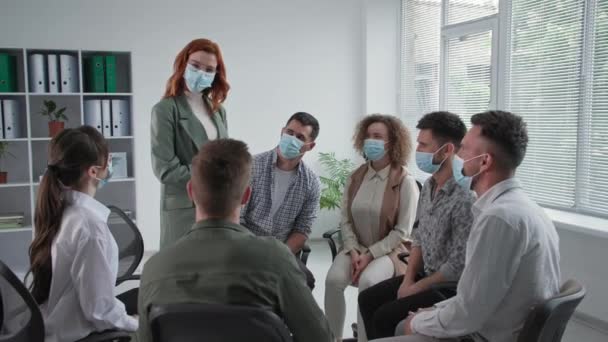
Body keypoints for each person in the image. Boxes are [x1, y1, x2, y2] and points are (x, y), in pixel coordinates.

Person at [372, 111, 561, 342]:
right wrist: (435, 312)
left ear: (484, 161)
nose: (457, 155)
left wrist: (419, 320)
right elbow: (476, 296)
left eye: (463, 149)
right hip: (493, 323)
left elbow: (469, 313)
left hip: (484, 335)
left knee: (402, 326)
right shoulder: (524, 207)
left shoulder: (499, 218)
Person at [136, 139, 332, 342]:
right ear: (246, 194)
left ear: (190, 192)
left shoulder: (155, 269)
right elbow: (319, 337)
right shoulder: (275, 259)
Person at [358, 112, 475, 340]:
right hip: (424, 275)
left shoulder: (465, 198)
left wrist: (417, 288)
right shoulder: (429, 186)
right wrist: (409, 279)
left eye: (423, 144)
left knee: (385, 316)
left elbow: (458, 265)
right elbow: (418, 237)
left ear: (447, 150)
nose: (417, 150)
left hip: (448, 288)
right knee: (368, 298)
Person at [27, 126, 137, 342]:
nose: (110, 164)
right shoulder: (89, 228)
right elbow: (98, 311)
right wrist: (135, 322)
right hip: (74, 333)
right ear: (93, 171)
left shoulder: (62, 211)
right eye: (108, 159)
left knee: (138, 295)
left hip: (54, 321)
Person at [325, 114, 419, 342]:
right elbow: (345, 220)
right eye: (367, 136)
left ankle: (365, 339)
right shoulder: (355, 177)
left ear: (392, 142)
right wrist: (354, 250)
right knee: (333, 280)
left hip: (389, 252)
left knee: (368, 283)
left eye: (377, 136)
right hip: (355, 247)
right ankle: (332, 338)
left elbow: (402, 231)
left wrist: (370, 254)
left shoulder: (405, 181)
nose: (370, 141)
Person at [151, 38, 230, 249]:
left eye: (209, 69)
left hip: (217, 205)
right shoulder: (165, 110)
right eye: (195, 66)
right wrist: (210, 177)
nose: (201, 73)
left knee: (213, 270)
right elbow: (165, 170)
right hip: (184, 208)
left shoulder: (218, 111)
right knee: (182, 273)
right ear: (183, 64)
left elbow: (225, 156)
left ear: (215, 75)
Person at [240, 112, 320, 289]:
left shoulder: (311, 183)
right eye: (289, 132)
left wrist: (277, 255)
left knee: (306, 281)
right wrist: (257, 253)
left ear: (310, 146)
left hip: (282, 252)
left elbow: (302, 229)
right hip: (247, 247)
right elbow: (237, 219)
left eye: (300, 137)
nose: (292, 139)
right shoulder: (251, 166)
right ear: (282, 131)